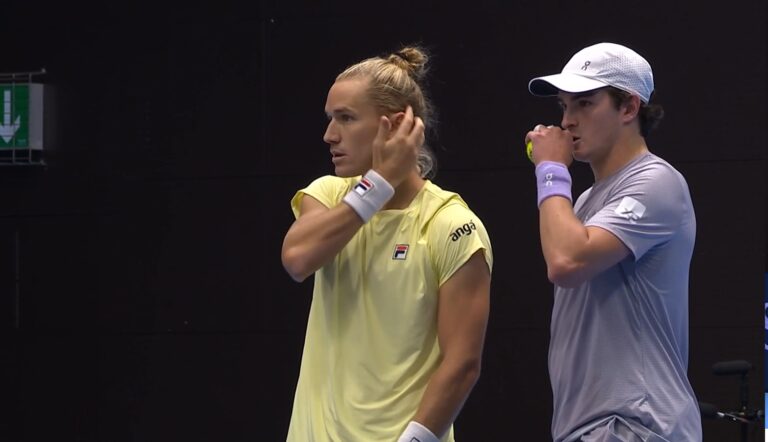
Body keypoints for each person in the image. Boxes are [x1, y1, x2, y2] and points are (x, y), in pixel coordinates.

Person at [281, 46, 493, 442]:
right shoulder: (327, 195)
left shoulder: (451, 224)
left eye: (345, 118)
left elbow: (462, 363)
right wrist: (377, 185)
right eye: (330, 119)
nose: (329, 135)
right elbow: (297, 259)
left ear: (395, 126)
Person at [524, 42, 701, 441]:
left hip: (634, 424)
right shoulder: (585, 202)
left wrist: (551, 168)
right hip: (590, 425)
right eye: (564, 107)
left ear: (628, 108)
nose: (567, 121)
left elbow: (566, 263)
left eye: (584, 104)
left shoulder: (657, 182)